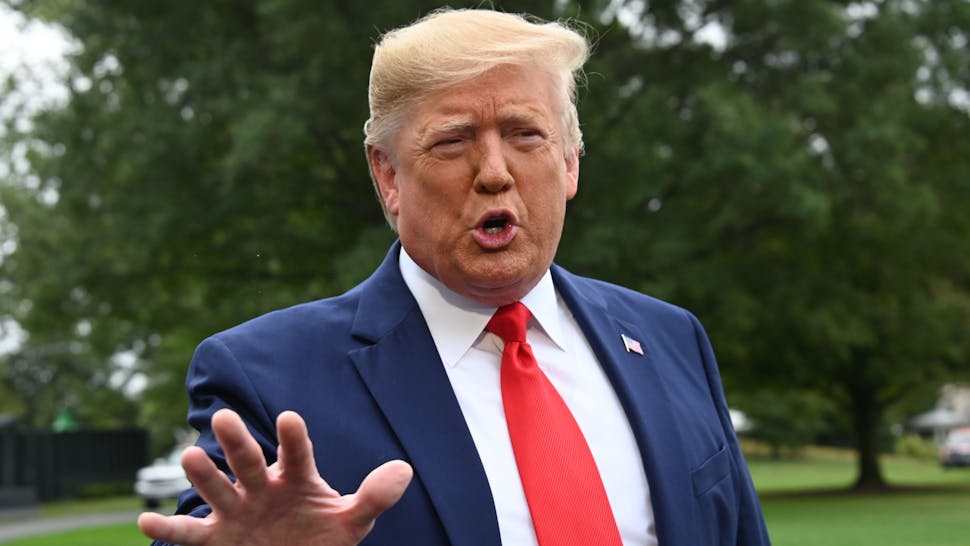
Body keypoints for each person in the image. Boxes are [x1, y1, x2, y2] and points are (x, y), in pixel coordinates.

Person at [138, 8, 771, 546]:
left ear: (571, 162)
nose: (494, 171)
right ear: (388, 175)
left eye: (526, 134)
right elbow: (217, 527)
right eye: (453, 141)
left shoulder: (670, 338)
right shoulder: (268, 375)